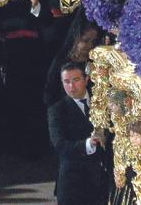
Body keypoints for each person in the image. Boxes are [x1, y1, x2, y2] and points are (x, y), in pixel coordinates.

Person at [47, 63, 109, 205]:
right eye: (66, 82)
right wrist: (88, 144)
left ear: (86, 79)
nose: (71, 87)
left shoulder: (101, 102)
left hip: (103, 182)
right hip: (74, 184)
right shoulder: (57, 110)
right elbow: (59, 145)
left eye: (75, 80)